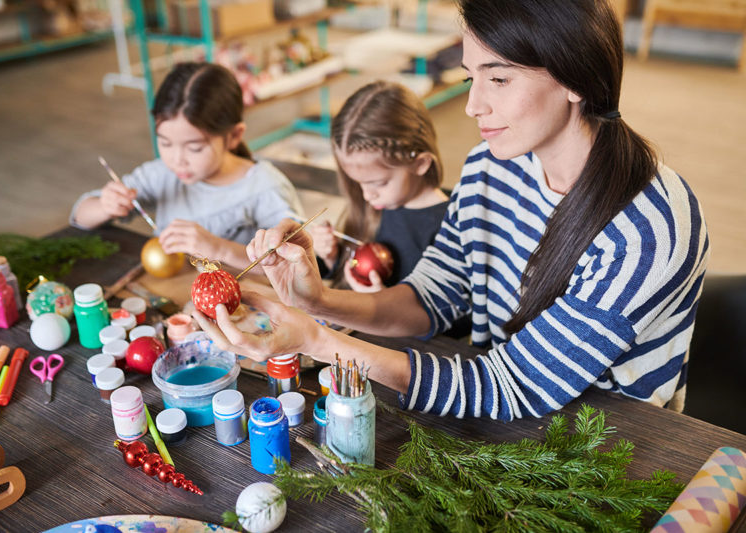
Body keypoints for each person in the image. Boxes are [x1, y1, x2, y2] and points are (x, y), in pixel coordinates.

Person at [193, 0, 709, 421]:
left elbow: (516, 387)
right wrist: (320, 300)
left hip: (606, 445)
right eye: (470, 79)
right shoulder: (492, 165)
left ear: (575, 78)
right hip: (496, 412)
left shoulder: (647, 229)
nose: (473, 106)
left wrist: (315, 339)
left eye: (498, 79)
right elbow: (434, 295)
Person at [70, 62, 304, 270]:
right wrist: (105, 206)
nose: (177, 159)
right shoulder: (161, 174)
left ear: (234, 136)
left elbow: (296, 266)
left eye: (194, 148)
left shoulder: (263, 187)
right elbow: (80, 215)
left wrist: (218, 248)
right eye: (165, 142)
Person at [310, 81, 449, 292]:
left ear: (420, 164)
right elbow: (354, 274)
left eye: (379, 183)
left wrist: (383, 304)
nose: (367, 195)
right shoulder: (380, 204)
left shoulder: (448, 229)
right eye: (358, 182)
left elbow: (452, 319)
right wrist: (332, 257)